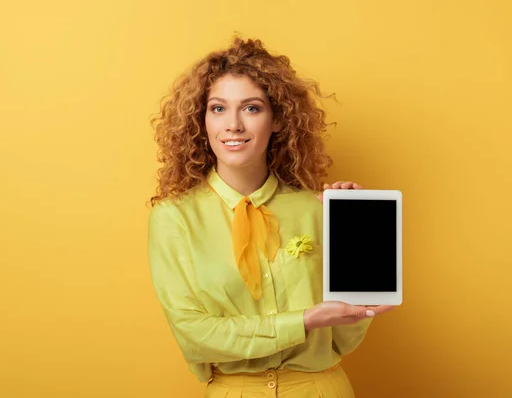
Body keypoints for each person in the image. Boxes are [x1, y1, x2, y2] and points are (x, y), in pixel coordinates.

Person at [147, 37, 395, 397]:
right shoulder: (175, 218)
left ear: (278, 119)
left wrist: (356, 232)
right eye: (218, 109)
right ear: (201, 121)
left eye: (251, 108)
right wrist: (305, 321)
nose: (233, 124)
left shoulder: (318, 208)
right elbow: (194, 335)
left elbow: (347, 331)